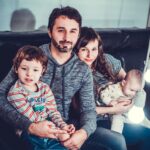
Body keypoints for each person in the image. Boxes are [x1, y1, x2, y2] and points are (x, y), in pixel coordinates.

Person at [0, 6, 127, 150]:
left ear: (78, 34)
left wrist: (84, 133)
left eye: (73, 31)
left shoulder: (82, 69)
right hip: (33, 128)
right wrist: (31, 126)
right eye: (61, 30)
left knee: (116, 141)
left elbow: (89, 110)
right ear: (50, 31)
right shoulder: (31, 58)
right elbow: (1, 96)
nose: (67, 38)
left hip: (67, 127)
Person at [75, 26, 150, 150]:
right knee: (117, 140)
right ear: (76, 50)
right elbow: (81, 110)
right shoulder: (74, 72)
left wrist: (129, 101)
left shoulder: (107, 60)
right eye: (84, 49)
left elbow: (129, 81)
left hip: (120, 114)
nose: (90, 55)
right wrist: (114, 109)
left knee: (148, 135)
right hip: (95, 121)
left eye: (94, 49)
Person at [7, 45, 75, 149]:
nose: (29, 74)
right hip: (29, 130)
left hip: (48, 124)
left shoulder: (44, 88)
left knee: (66, 138)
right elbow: (31, 117)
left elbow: (52, 111)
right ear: (16, 68)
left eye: (35, 70)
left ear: (42, 71)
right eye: (24, 68)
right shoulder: (15, 93)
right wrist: (56, 131)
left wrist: (62, 125)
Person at [99, 69, 142, 133]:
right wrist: (109, 101)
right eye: (132, 90)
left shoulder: (130, 90)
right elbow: (103, 94)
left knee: (142, 94)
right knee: (117, 120)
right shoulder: (114, 89)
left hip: (125, 111)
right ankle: (116, 135)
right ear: (123, 83)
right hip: (114, 111)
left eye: (136, 91)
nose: (133, 93)